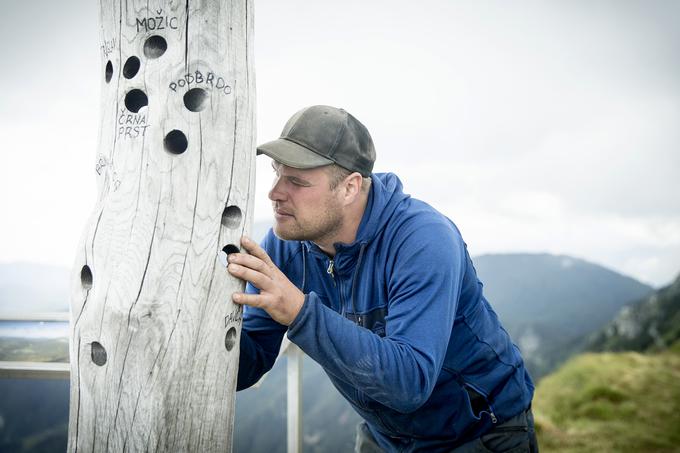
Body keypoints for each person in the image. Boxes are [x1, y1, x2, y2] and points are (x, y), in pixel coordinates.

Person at [227, 105, 538, 452]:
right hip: (385, 437)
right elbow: (252, 356)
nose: (275, 193)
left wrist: (300, 313)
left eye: (297, 181)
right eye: (277, 172)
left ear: (349, 188)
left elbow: (410, 383)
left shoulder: (423, 240)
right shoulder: (287, 246)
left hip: (479, 433)